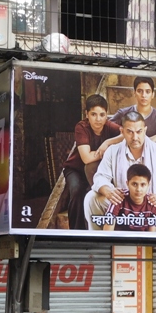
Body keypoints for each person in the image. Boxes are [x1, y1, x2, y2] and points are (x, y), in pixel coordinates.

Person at [85, 110, 156, 233]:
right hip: (122, 206)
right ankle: (99, 243)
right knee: (92, 198)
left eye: (139, 132)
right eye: (130, 132)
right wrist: (108, 191)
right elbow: (100, 177)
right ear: (122, 131)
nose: (135, 137)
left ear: (145, 130)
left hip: (151, 207)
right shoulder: (112, 151)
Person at [62, 95, 122, 230]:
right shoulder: (81, 127)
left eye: (102, 114)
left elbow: (126, 133)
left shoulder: (109, 126)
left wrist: (107, 142)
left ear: (107, 115)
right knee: (77, 191)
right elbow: (86, 158)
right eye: (93, 114)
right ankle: (76, 233)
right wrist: (105, 152)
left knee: (94, 194)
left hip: (96, 171)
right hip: (76, 169)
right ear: (87, 114)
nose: (98, 119)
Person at [110, 76, 156, 143]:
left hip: (152, 154)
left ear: (153, 94)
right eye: (140, 91)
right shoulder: (123, 113)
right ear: (134, 93)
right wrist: (109, 142)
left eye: (148, 91)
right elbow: (105, 128)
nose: (143, 95)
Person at [102, 164, 156, 232]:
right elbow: (107, 232)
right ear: (127, 183)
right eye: (134, 184)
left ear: (148, 185)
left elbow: (151, 236)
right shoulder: (119, 198)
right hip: (120, 240)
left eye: (143, 185)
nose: (138, 189)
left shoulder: (152, 202)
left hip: (142, 241)